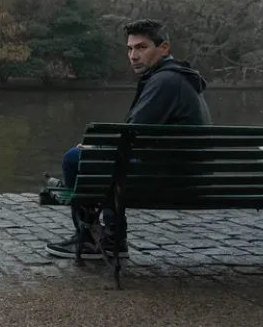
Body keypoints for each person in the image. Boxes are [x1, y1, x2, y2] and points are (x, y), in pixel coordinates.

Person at [45, 18, 212, 259]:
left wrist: (94, 148)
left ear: (163, 48)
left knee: (75, 158)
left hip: (172, 179)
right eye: (130, 49)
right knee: (105, 159)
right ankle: (109, 236)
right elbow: (137, 135)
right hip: (185, 173)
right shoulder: (175, 78)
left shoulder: (165, 81)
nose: (133, 55)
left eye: (141, 47)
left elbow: (132, 132)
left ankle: (96, 238)